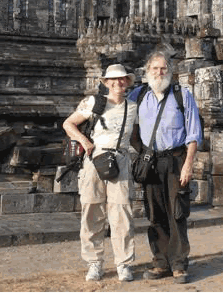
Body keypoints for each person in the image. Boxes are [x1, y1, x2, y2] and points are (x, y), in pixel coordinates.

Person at [129, 51, 202, 284]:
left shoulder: (182, 95)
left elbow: (193, 133)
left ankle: (179, 263)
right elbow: (120, 114)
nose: (159, 72)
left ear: (170, 71)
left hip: (176, 160)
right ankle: (160, 261)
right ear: (147, 71)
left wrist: (188, 164)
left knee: (177, 212)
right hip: (151, 162)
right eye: (155, 68)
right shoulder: (138, 96)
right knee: (155, 212)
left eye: (163, 68)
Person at [62, 64, 138, 282]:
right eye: (113, 80)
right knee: (92, 211)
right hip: (94, 158)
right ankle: (94, 262)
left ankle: (123, 264)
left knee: (122, 213)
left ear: (127, 82)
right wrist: (85, 141)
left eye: (122, 79)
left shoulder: (133, 107)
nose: (118, 83)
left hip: (121, 159)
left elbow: (135, 137)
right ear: (106, 83)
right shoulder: (93, 102)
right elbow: (68, 124)